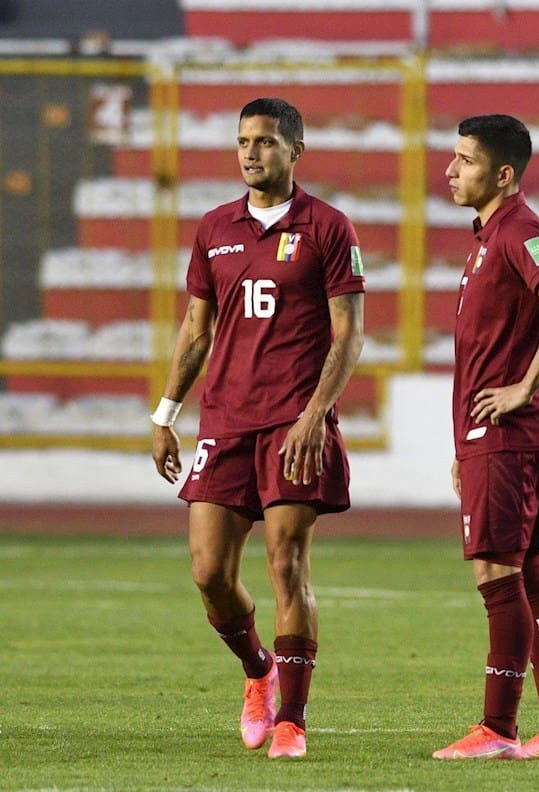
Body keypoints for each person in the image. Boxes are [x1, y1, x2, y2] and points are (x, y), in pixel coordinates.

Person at [151, 97, 366, 760]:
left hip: (292, 422)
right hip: (226, 417)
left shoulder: (329, 227)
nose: (251, 153)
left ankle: (292, 720)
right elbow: (196, 329)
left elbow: (349, 334)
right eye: (244, 141)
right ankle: (258, 672)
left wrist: (314, 415)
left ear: (295, 150)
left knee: (286, 562)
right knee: (209, 570)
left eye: (267, 142)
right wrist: (166, 412)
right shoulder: (214, 227)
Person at [434, 114, 539, 761]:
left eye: (464, 160)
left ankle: (499, 730)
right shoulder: (488, 236)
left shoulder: (517, 229)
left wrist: (524, 387)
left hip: (509, 432)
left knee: (498, 576)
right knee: (524, 575)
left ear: (502, 173)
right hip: (499, 437)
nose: (450, 170)